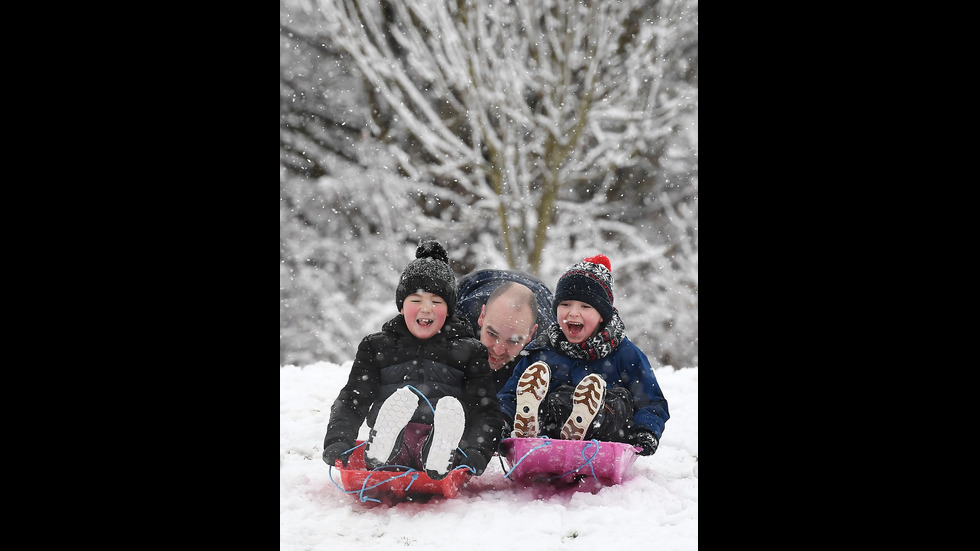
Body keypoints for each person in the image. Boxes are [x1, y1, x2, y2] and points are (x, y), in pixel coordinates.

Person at [321, 240, 504, 479]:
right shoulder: (377, 346)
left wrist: (478, 450)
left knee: (450, 424)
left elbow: (485, 409)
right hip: (393, 444)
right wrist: (338, 439)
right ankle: (388, 444)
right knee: (392, 435)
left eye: (436, 302)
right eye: (416, 301)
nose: (426, 309)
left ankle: (436, 446)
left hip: (446, 450)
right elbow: (353, 398)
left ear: (448, 310)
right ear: (401, 306)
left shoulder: (469, 351)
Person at [497, 254, 669, 456]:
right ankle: (532, 422)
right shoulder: (541, 351)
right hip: (548, 435)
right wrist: (502, 422)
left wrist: (646, 431)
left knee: (619, 400)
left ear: (602, 315)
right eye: (565, 304)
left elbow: (651, 401)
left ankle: (588, 419)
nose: (573, 313)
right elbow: (509, 394)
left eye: (585, 306)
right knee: (546, 398)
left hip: (605, 433)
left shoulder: (625, 353)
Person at [455, 269, 557, 392]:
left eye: (513, 341)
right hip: (480, 281)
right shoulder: (454, 322)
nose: (498, 350)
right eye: (492, 334)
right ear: (482, 316)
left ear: (531, 333)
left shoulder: (548, 350)